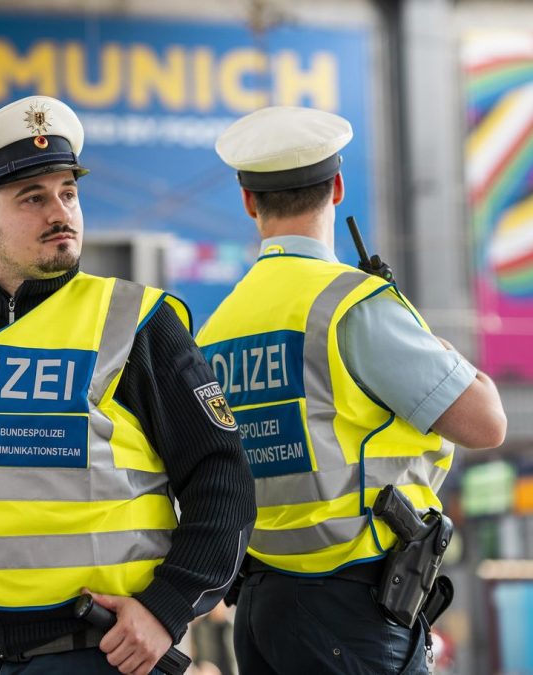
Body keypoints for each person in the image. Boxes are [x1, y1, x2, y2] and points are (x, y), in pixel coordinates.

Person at [0, 95, 256, 675]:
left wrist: (165, 610)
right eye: (33, 198)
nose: (60, 212)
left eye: (68, 193)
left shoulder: (135, 321)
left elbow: (222, 478)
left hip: (88, 654)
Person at [198, 106, 508, 675]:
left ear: (248, 201)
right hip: (349, 612)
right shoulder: (353, 304)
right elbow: (485, 422)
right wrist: (417, 332)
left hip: (261, 607)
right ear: (338, 187)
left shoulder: (216, 327)